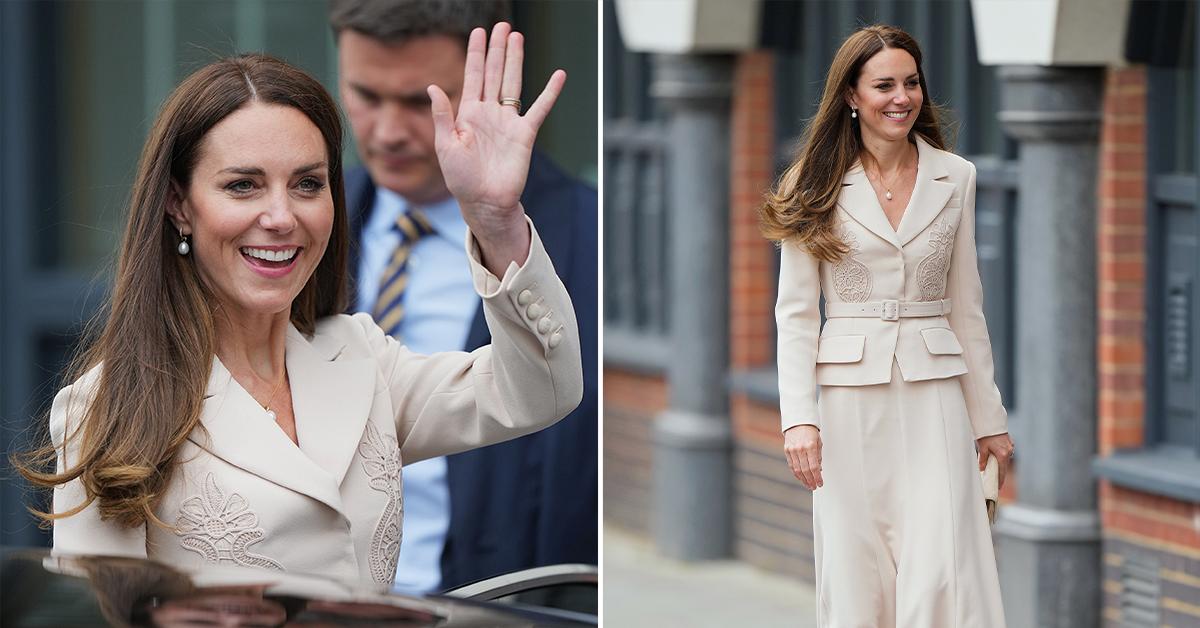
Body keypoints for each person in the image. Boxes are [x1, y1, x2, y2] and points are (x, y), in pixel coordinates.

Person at [18, 23, 582, 587]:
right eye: (243, 185)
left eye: (308, 184)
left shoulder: (361, 357)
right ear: (178, 204)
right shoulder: (107, 404)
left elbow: (540, 389)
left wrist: (494, 219)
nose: (282, 217)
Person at [329, 0, 598, 593]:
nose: (389, 131)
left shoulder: (590, 240)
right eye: (367, 96)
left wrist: (499, 225)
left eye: (423, 103)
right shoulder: (303, 231)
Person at [760, 25, 1015, 627]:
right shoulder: (811, 183)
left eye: (911, 82)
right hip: (849, 406)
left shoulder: (957, 176)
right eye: (883, 85)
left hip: (937, 399)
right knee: (857, 573)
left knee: (944, 570)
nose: (901, 97)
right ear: (851, 94)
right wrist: (800, 419)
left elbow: (967, 307)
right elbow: (795, 314)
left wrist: (990, 420)